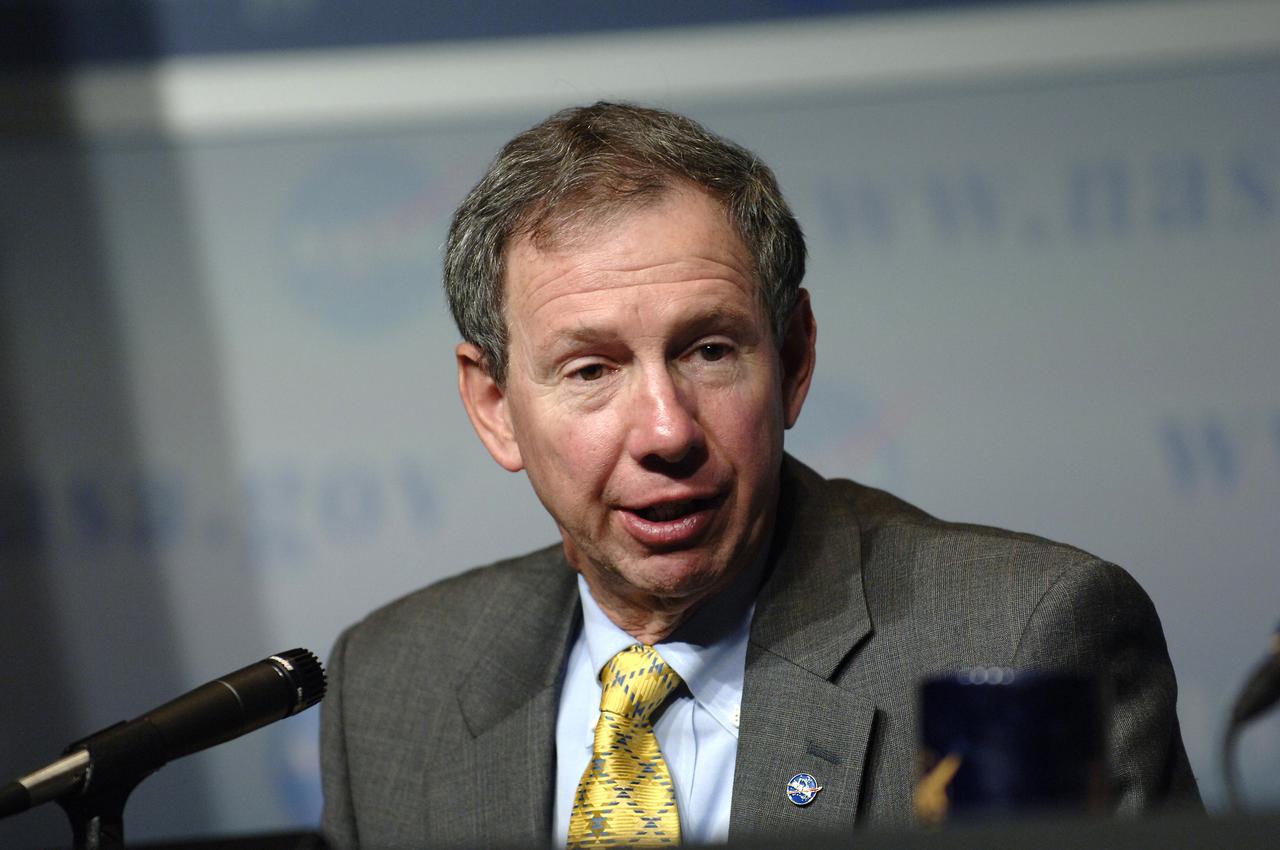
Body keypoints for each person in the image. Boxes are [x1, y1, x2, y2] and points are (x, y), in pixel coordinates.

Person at [319, 102, 1199, 849]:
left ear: (794, 357)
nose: (666, 430)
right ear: (494, 405)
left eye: (708, 351)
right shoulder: (394, 689)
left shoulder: (1018, 643)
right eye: (591, 370)